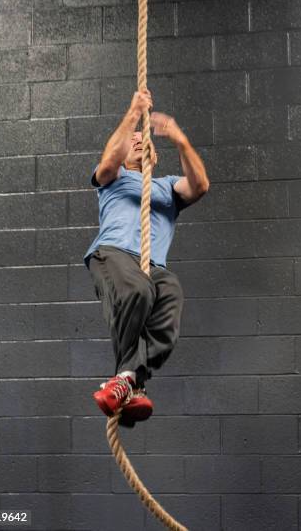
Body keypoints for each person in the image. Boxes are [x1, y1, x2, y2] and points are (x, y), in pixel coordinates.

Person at [84, 90, 209, 427]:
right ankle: (127, 379)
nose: (138, 141)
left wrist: (181, 141)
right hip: (113, 254)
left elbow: (200, 185)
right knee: (137, 289)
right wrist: (133, 113)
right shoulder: (112, 179)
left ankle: (128, 381)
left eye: (143, 139)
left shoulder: (168, 187)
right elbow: (109, 160)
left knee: (170, 304)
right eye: (132, 140)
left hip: (155, 268)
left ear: (154, 153)